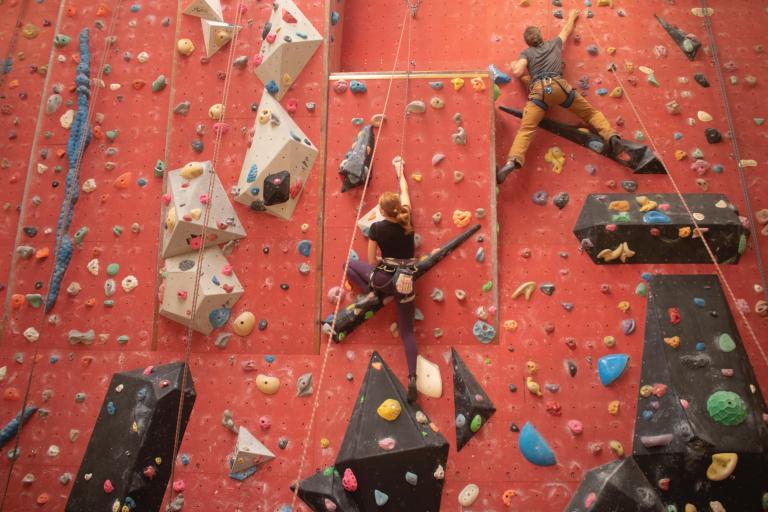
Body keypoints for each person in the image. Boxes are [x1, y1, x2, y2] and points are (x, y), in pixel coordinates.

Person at [497, 8, 621, 184]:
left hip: (540, 91)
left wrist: (514, 65)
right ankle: (611, 136)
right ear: (540, 35)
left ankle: (513, 161)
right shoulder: (554, 43)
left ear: (528, 42)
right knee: (590, 113)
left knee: (526, 129)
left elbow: (517, 71)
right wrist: (571, 17)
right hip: (558, 88)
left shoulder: (527, 53)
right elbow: (566, 31)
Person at [345, 156, 419, 403]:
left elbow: (372, 260)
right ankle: (412, 378)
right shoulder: (407, 216)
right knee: (408, 332)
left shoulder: (376, 228)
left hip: (385, 279)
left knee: (350, 266)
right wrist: (400, 171)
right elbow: (405, 191)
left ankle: (376, 293)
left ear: (382, 212)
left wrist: (379, 270)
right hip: (406, 282)